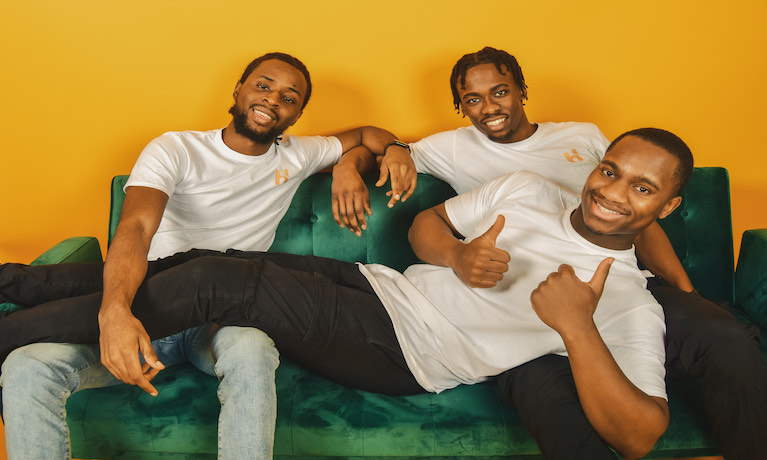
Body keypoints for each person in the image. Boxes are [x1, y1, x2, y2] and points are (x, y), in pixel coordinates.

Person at [0, 127, 693, 459]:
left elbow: (639, 434)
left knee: (217, 284)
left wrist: (574, 327)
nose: (609, 193)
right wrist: (455, 255)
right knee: (204, 256)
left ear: (664, 208)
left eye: (641, 188)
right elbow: (427, 225)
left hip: (404, 350)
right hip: (384, 287)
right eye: (608, 171)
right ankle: (16, 282)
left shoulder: (628, 301)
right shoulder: (534, 192)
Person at [334, 47, 767, 460]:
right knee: (548, 400)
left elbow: (640, 219)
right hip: (517, 294)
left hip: (612, 282)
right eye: (473, 99)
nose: (489, 106)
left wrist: (687, 292)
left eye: (500, 91)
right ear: (460, 106)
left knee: (726, 337)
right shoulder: (451, 147)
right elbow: (382, 149)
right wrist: (350, 165)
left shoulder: (582, 137)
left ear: (521, 90)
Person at [0, 51, 417, 460]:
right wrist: (115, 313)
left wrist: (384, 153)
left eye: (289, 98)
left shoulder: (298, 154)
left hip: (221, 321)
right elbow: (136, 228)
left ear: (295, 116)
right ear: (238, 91)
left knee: (252, 351)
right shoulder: (175, 148)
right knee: (25, 365)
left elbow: (365, 134)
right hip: (147, 306)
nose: (273, 99)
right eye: (263, 86)